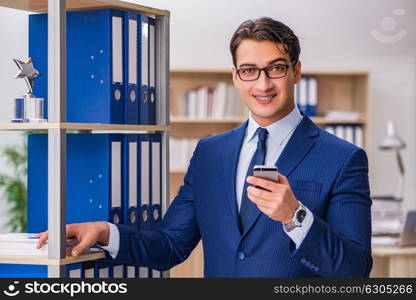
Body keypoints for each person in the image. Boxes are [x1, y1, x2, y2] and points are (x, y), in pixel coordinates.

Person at [37, 17, 372, 277]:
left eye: (276, 68)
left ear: (296, 71)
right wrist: (104, 232)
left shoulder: (343, 158)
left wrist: (295, 217)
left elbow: (355, 270)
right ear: (235, 76)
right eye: (250, 71)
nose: (263, 83)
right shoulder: (212, 153)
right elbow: (170, 245)